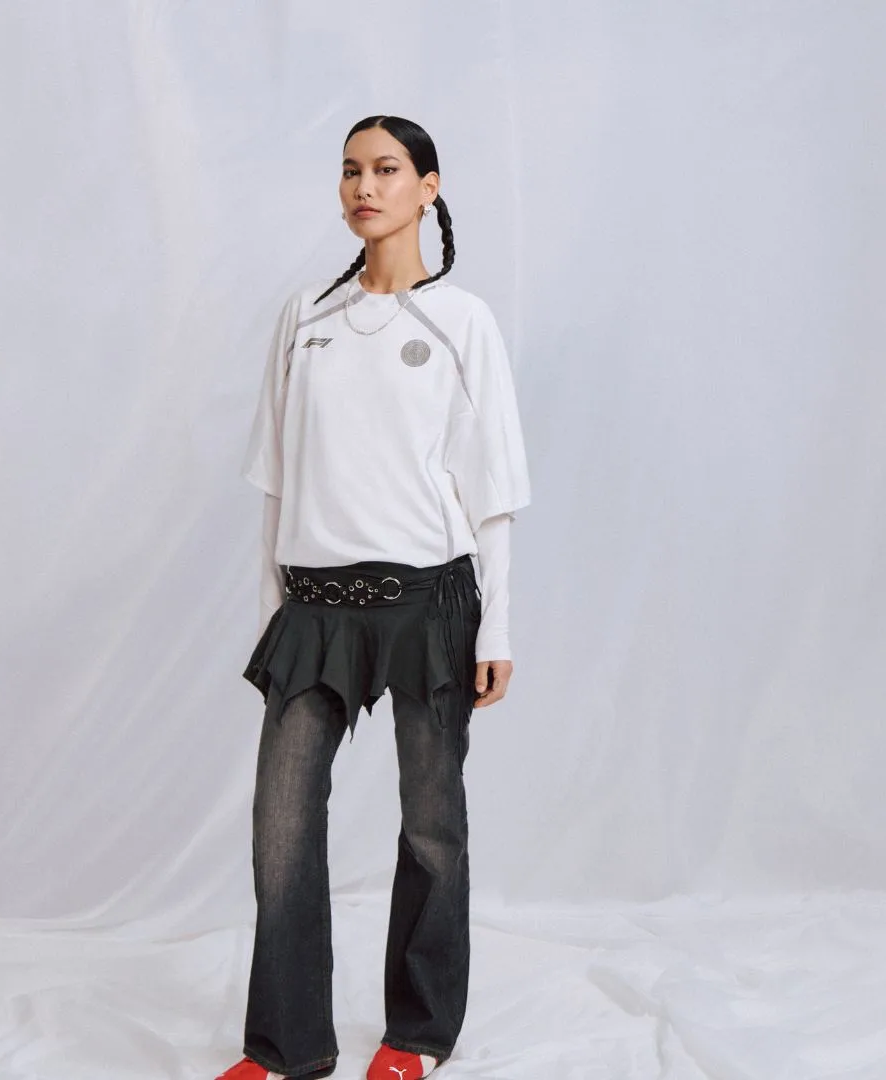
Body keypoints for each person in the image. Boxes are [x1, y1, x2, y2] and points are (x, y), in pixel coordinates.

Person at [216, 115, 532, 1080]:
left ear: (428, 187)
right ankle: (285, 1047)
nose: (365, 186)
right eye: (351, 170)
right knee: (281, 831)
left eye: (387, 169)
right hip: (314, 609)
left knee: (432, 828)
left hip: (429, 603)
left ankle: (417, 1034)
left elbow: (491, 492)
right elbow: (276, 484)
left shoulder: (461, 321)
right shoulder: (305, 316)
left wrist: (498, 627)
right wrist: (271, 618)